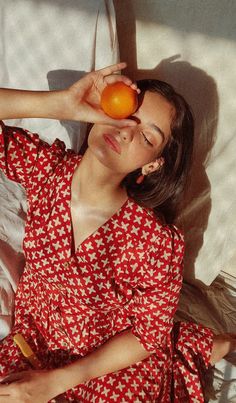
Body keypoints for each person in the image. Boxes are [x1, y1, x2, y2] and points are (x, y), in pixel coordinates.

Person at [0, 62, 235, 403]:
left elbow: (146, 335)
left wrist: (54, 383)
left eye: (146, 135)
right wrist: (61, 104)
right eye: (127, 113)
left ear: (152, 164)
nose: (125, 131)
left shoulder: (156, 241)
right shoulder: (45, 168)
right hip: (34, 341)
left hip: (107, 364)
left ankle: (207, 345)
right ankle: (200, 344)